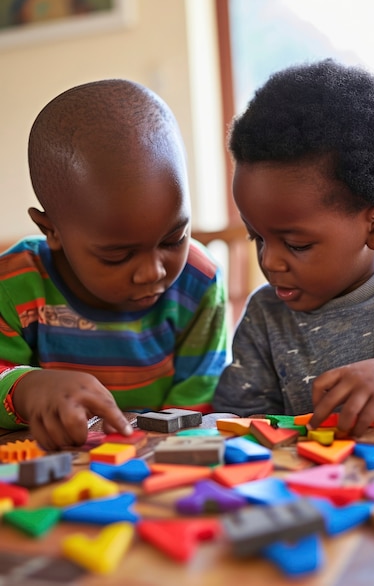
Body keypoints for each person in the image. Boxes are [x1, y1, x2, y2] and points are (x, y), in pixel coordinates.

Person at [213, 58, 374, 436]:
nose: (270, 261)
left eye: (297, 244)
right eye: (258, 238)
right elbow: (237, 426)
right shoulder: (266, 316)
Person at [0, 79, 228, 450]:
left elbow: (198, 410)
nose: (153, 271)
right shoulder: (15, 284)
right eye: (117, 255)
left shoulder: (198, 282)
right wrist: (27, 387)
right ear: (51, 230)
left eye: (173, 239)